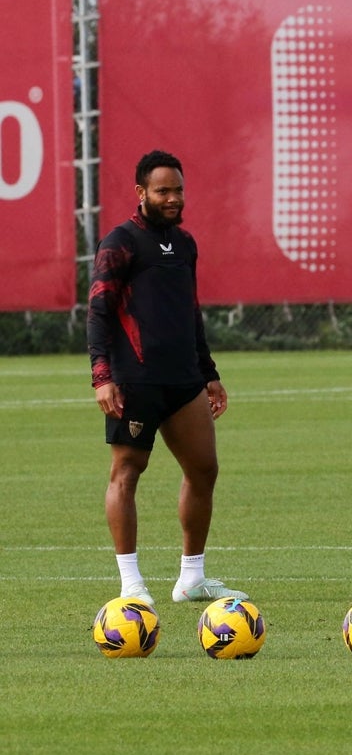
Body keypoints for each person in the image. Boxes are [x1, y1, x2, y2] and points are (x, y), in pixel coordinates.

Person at [87, 149, 246, 606]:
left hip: (183, 381)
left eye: (178, 189)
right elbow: (98, 311)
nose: (173, 198)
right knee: (126, 473)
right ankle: (131, 584)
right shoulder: (119, 243)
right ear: (141, 193)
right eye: (163, 191)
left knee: (204, 469)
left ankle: (191, 578)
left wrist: (209, 373)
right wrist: (102, 376)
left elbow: (190, 312)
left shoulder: (186, 243)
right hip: (134, 381)